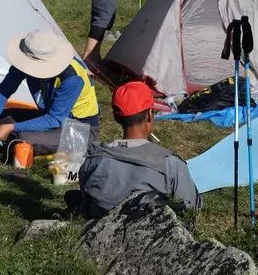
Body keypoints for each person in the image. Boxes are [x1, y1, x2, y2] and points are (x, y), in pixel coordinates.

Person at [79, 81, 201, 217]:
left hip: (99, 230)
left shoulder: (93, 159)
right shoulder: (170, 164)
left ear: (116, 117)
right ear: (149, 114)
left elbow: (85, 202)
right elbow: (191, 209)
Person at [0, 30, 100, 154]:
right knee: (2, 116)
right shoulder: (24, 63)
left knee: (23, 139)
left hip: (79, 127)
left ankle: (14, 140)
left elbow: (54, 119)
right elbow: (4, 90)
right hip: (48, 115)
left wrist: (13, 127)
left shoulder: (72, 78)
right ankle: (9, 135)